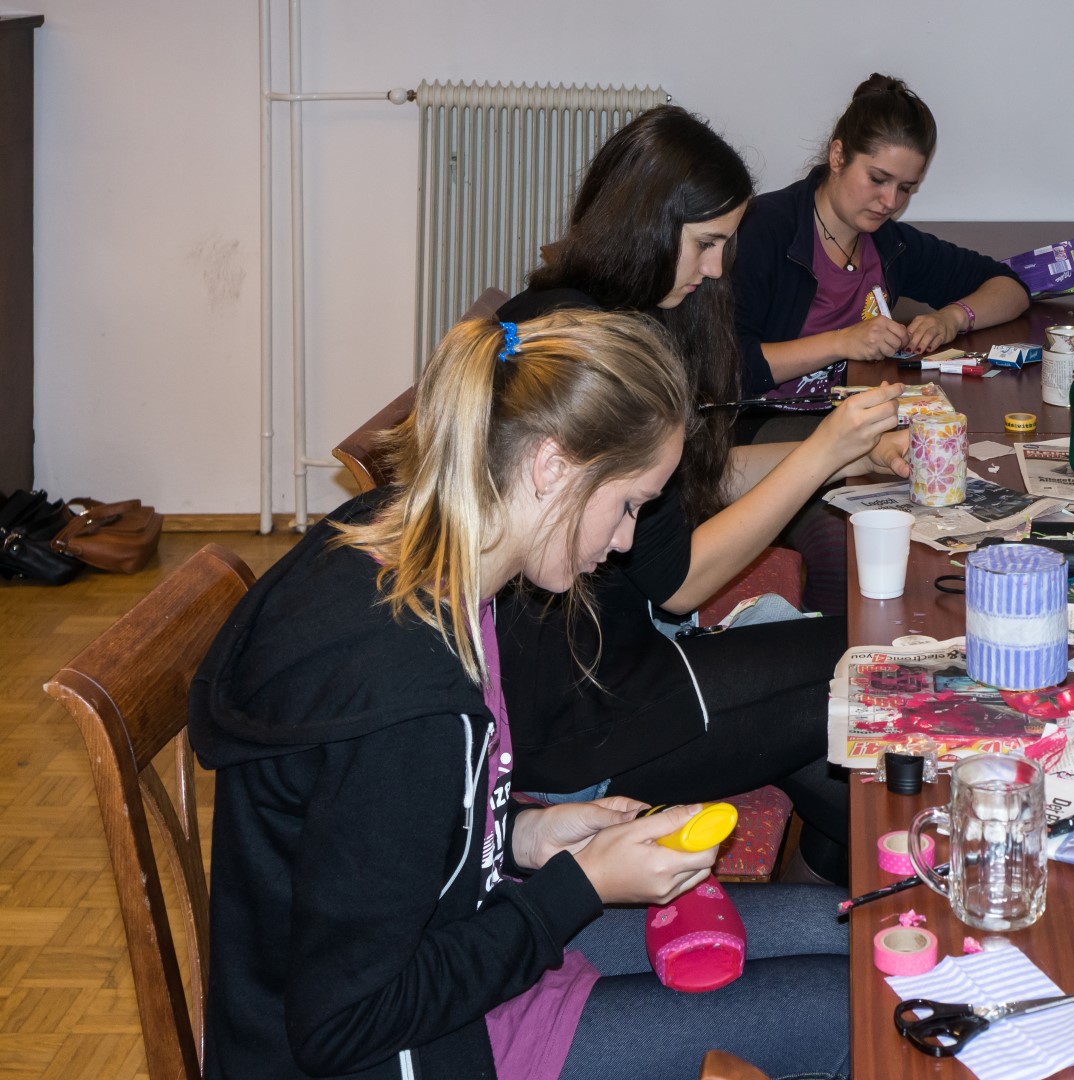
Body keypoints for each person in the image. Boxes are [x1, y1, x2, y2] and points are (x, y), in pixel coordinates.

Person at [190, 310, 850, 1080]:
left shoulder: (412, 550)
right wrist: (579, 888)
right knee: (854, 1010)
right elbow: (344, 1024)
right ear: (551, 466)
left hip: (461, 947)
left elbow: (381, 848)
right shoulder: (407, 692)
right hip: (406, 1045)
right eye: (628, 503)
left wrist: (527, 837)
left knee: (845, 933)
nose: (627, 541)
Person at [495, 106, 907, 883]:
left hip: (616, 666)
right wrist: (821, 452)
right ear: (648, 225)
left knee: (849, 693)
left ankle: (849, 866)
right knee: (866, 676)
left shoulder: (605, 313)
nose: (716, 270)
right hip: (582, 720)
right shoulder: (589, 350)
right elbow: (678, 581)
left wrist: (846, 459)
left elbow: (686, 483)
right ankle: (872, 870)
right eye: (706, 244)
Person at [731, 74, 1031, 412]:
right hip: (766, 422)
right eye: (878, 179)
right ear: (837, 156)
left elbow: (1010, 287)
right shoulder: (764, 229)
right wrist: (842, 342)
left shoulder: (888, 243)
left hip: (854, 416)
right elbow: (731, 365)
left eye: (905, 188)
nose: (890, 202)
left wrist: (951, 318)